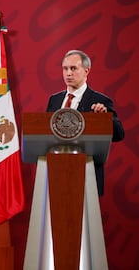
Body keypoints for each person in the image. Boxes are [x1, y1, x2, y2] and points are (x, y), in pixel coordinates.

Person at [46, 49, 125, 196]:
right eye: (65, 69)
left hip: (87, 174)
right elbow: (45, 133)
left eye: (73, 68)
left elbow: (119, 134)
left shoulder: (100, 101)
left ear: (86, 71)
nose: (68, 73)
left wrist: (104, 117)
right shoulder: (54, 100)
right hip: (56, 174)